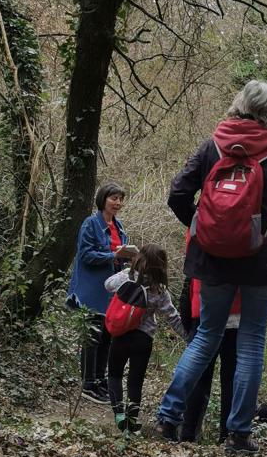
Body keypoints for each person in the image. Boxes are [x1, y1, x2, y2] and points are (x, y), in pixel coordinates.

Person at [158, 80, 267, 449]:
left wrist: (202, 228)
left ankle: (168, 418)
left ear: (239, 104)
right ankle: (238, 433)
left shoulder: (213, 145)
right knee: (251, 342)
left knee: (204, 338)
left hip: (212, 260)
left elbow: (177, 194)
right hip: (260, 265)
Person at [66, 182, 137, 404]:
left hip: (111, 290)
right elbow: (86, 254)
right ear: (103, 199)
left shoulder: (120, 226)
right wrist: (112, 256)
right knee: (92, 336)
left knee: (107, 336)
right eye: (113, 198)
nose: (117, 203)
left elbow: (118, 254)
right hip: (91, 288)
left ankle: (99, 381)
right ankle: (87, 383)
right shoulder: (90, 224)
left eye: (120, 199)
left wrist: (127, 256)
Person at [105, 244, 186, 433]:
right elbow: (172, 317)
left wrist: (126, 271)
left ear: (139, 259)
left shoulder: (126, 277)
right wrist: (189, 338)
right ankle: (132, 421)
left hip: (121, 334)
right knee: (136, 380)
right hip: (143, 339)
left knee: (115, 374)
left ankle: (119, 414)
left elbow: (107, 284)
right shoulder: (160, 290)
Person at [180, 273, 240, 443]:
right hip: (236, 308)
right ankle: (227, 435)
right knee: (231, 378)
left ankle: (188, 433)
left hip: (202, 306)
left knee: (199, 375)